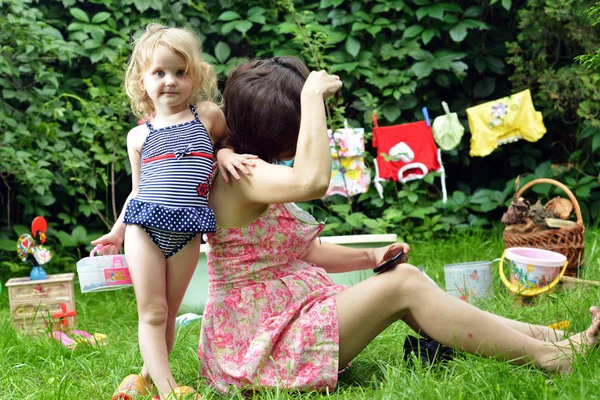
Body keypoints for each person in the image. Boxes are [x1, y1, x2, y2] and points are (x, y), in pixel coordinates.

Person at [198, 56, 600, 394]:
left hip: (281, 319)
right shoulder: (243, 176)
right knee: (404, 284)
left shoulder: (251, 167)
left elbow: (302, 251)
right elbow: (313, 181)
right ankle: (550, 357)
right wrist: (311, 95)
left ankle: (547, 338)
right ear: (282, 129)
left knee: (404, 280)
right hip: (258, 345)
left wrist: (372, 254)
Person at [91, 24, 255, 400]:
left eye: (180, 72)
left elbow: (227, 140)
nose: (171, 81)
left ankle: (145, 378)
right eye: (159, 73)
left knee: (168, 312)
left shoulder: (207, 116)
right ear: (142, 81)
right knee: (152, 312)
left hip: (187, 229)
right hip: (144, 228)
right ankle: (170, 392)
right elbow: (137, 191)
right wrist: (118, 232)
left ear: (194, 76)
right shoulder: (140, 136)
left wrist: (225, 153)